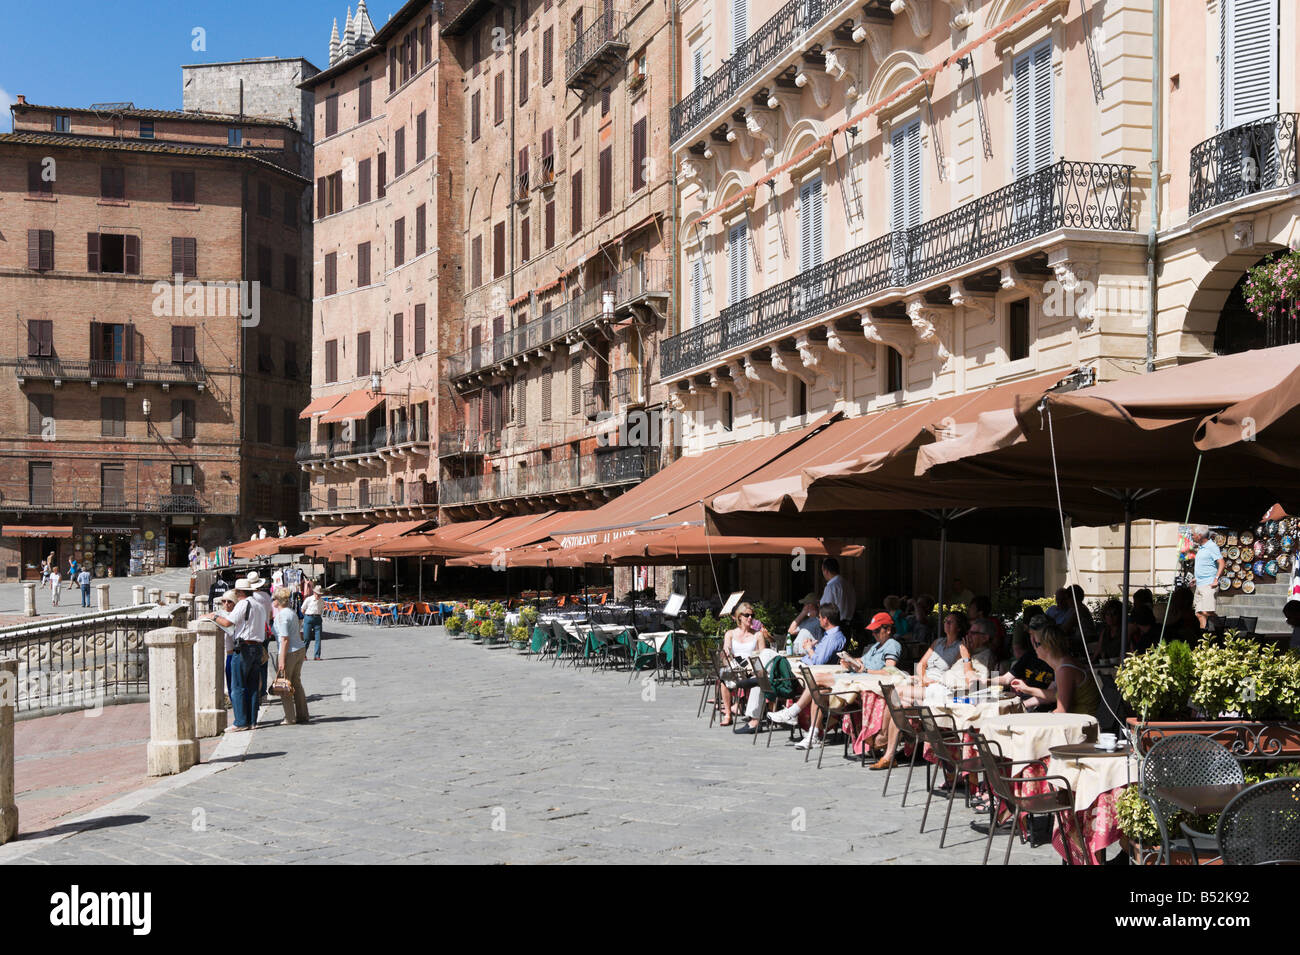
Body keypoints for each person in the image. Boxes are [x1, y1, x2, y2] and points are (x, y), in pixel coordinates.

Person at [764, 604, 849, 749]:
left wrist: (809, 649)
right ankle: (803, 725)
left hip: (828, 680)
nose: (819, 620)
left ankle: (792, 712)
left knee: (794, 677)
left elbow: (818, 661)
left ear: (825, 620)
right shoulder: (828, 636)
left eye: (820, 617)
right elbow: (813, 659)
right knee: (808, 684)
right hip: (818, 678)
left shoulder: (833, 638)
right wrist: (811, 650)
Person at [206, 578, 269, 731]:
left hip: (244, 648)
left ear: (239, 592)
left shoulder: (243, 603)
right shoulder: (259, 606)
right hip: (257, 647)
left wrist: (213, 616)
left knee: (238, 686)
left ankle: (240, 722)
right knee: (253, 686)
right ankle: (252, 721)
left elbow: (228, 623)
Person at [1011, 623, 1101, 716]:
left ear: (1047, 646)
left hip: (1084, 725)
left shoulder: (1065, 670)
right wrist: (1025, 692)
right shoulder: (1063, 664)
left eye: (1036, 643)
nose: (1034, 648)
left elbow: (1062, 712)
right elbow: (1054, 695)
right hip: (1081, 720)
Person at [718, 603, 768, 728]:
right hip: (735, 667)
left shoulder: (758, 635)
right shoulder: (730, 634)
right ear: (739, 617)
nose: (750, 618)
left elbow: (763, 657)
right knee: (724, 676)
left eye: (752, 615)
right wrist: (727, 656)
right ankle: (728, 714)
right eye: (747, 615)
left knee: (759, 676)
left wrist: (751, 666)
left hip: (752, 668)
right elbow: (726, 653)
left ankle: (754, 712)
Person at [271, 587, 310, 724]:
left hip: (290, 651)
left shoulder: (282, 616)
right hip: (299, 648)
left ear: (278, 601)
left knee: (284, 684)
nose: (272, 601)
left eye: (273, 599)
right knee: (296, 683)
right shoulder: (292, 612)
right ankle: (303, 714)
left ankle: (289, 716)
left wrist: (281, 660)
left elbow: (285, 639)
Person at [992, 617, 1055, 696]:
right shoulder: (1029, 656)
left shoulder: (1058, 663)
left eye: (1034, 635)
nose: (1033, 639)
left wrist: (1025, 690)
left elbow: (1051, 696)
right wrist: (984, 681)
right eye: (1031, 634)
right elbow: (1006, 679)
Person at [1190, 525, 1224, 630]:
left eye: (1193, 535)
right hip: (1200, 584)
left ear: (1199, 536)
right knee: (1199, 614)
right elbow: (1206, 565)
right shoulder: (1201, 548)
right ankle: (1204, 638)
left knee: (1207, 612)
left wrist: (1216, 579)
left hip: (1209, 585)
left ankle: (1221, 630)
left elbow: (1221, 563)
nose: (1192, 536)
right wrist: (1196, 578)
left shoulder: (1211, 546)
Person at [819, 558, 855, 630]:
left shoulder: (831, 587)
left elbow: (826, 609)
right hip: (849, 624)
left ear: (825, 571)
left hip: (836, 625)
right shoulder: (848, 584)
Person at [968, 595, 1007, 659]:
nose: (969, 610)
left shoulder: (993, 623)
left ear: (980, 612)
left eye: (972, 608)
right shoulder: (972, 623)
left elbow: (996, 645)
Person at [301, 579, 324, 660]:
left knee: (318, 638)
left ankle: (317, 655)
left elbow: (321, 610)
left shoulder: (321, 601)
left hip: (317, 618)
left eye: (320, 594)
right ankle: (303, 654)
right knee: (306, 638)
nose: (319, 596)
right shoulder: (309, 599)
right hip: (309, 617)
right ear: (314, 593)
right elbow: (302, 609)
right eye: (318, 594)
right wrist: (307, 617)